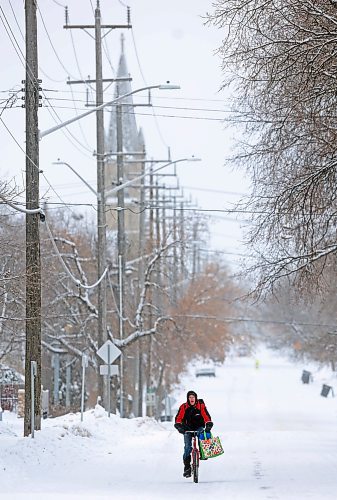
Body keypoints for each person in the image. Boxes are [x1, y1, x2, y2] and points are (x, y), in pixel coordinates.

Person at [174, 390, 213, 478]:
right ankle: (187, 467)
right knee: (187, 447)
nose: (191, 399)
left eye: (193, 397)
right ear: (188, 399)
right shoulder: (183, 407)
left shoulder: (200, 405)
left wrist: (208, 423)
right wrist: (179, 426)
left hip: (199, 427)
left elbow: (206, 415)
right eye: (190, 397)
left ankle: (203, 454)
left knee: (202, 437)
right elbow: (179, 418)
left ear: (196, 398)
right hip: (187, 429)